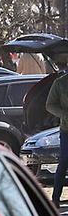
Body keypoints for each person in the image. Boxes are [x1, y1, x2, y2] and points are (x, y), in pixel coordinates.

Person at [47, 52, 68, 205]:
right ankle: (55, 198)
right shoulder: (60, 83)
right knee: (64, 162)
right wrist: (64, 114)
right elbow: (49, 104)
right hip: (66, 130)